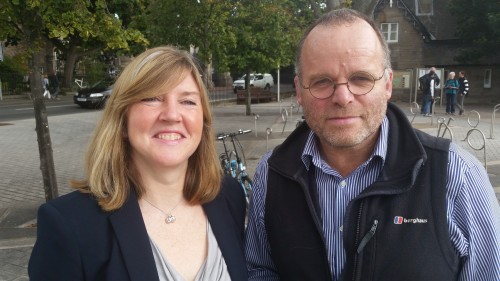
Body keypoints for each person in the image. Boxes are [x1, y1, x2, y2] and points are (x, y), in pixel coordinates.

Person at [245, 8, 500, 281]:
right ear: (299, 91)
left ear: (387, 84)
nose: (342, 97)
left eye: (361, 79)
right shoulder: (271, 174)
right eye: (322, 82)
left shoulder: (457, 176)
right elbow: (261, 270)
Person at [29, 46, 248, 281]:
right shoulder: (69, 225)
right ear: (122, 121)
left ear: (203, 120)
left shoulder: (229, 196)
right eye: (152, 98)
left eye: (188, 101)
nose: (172, 115)